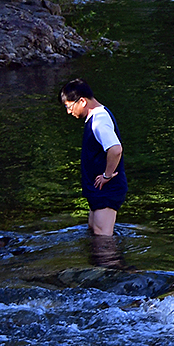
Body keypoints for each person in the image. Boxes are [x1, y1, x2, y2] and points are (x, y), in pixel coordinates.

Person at [60, 79, 126, 237]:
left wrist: (107, 175)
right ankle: (97, 262)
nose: (69, 112)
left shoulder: (99, 121)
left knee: (103, 238)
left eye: (69, 106)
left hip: (107, 191)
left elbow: (116, 149)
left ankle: (112, 263)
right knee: (94, 232)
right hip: (98, 190)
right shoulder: (96, 117)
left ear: (82, 101)